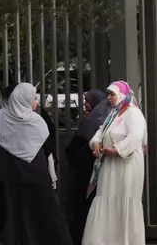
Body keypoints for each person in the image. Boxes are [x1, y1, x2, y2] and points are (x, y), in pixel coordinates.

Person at [0, 82, 72, 245]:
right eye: (34, 98)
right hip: (35, 174)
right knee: (41, 212)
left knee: (14, 213)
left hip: (10, 173)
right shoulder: (37, 121)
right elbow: (48, 147)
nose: (37, 102)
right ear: (24, 99)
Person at [82, 81, 147, 245]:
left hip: (127, 165)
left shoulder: (133, 113)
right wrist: (96, 143)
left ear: (122, 95)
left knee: (124, 198)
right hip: (110, 165)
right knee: (107, 197)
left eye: (112, 94)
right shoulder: (114, 115)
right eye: (109, 94)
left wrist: (117, 150)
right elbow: (100, 132)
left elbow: (135, 136)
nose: (109, 98)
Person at [65, 89, 108, 245]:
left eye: (87, 101)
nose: (84, 105)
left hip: (86, 172)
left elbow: (73, 149)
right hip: (101, 173)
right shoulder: (106, 119)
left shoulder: (91, 122)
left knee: (83, 208)